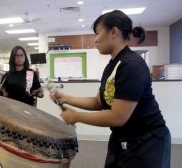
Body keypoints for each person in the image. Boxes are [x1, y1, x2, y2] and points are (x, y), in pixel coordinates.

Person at [50, 10, 171, 168]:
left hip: (147, 140)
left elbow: (117, 117)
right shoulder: (112, 65)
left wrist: (76, 116)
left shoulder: (131, 65)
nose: (95, 40)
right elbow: (99, 102)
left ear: (114, 32)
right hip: (122, 137)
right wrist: (66, 98)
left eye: (98, 33)